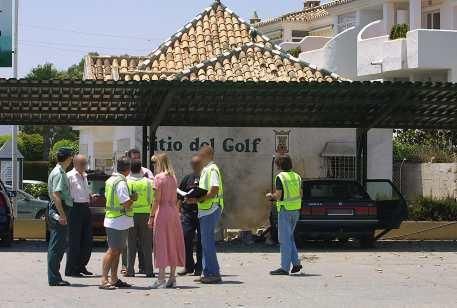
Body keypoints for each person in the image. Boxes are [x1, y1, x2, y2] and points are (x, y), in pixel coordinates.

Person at [148, 153, 185, 289]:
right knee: (173, 243)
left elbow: (156, 200)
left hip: (162, 212)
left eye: (154, 163)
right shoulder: (173, 177)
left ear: (159, 163)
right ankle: (172, 278)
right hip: (173, 212)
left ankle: (161, 278)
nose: (153, 166)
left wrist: (151, 217)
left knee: (161, 244)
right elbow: (175, 198)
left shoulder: (158, 178)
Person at [188, 145, 223, 284]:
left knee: (207, 243)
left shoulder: (212, 169)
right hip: (206, 209)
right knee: (204, 242)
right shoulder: (206, 170)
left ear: (208, 155)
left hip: (210, 208)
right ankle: (207, 272)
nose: (199, 158)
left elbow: (214, 189)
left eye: (201, 155)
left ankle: (213, 273)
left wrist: (198, 199)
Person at [100, 157, 135, 290]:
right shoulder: (120, 182)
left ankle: (114, 278)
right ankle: (104, 279)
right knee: (113, 250)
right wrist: (133, 198)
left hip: (116, 219)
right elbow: (125, 203)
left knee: (117, 250)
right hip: (117, 220)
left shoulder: (111, 180)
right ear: (128, 169)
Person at [266, 155, 303, 276]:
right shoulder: (297, 176)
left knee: (284, 240)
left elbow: (278, 195)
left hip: (285, 210)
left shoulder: (280, 177)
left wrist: (270, 196)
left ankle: (284, 267)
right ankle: (296, 263)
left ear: (279, 165)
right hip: (296, 210)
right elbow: (301, 193)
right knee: (290, 238)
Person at [47, 148, 74, 286]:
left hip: (60, 208)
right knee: (56, 246)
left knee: (58, 244)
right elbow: (57, 195)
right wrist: (62, 214)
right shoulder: (59, 173)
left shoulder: (59, 171)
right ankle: (54, 278)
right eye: (71, 158)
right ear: (68, 158)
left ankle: (55, 277)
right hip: (60, 209)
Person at [65, 154, 93, 277]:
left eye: (85, 163)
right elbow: (65, 193)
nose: (84, 166)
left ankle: (81, 265)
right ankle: (71, 268)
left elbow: (83, 191)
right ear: (75, 164)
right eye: (82, 164)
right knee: (74, 240)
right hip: (74, 208)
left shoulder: (85, 176)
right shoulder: (69, 176)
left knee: (87, 239)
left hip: (85, 207)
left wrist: (90, 195)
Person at [126, 159, 154, 278]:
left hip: (131, 214)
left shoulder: (126, 181)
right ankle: (149, 271)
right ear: (141, 169)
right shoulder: (148, 182)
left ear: (130, 169)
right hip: (145, 213)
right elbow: (152, 199)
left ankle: (130, 270)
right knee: (147, 244)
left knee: (131, 244)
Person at [177, 155, 203, 276]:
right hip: (187, 213)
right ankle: (188, 266)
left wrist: (197, 199)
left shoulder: (205, 178)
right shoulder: (187, 178)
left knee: (201, 241)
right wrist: (178, 212)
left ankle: (199, 267)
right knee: (185, 238)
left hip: (202, 213)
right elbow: (179, 196)